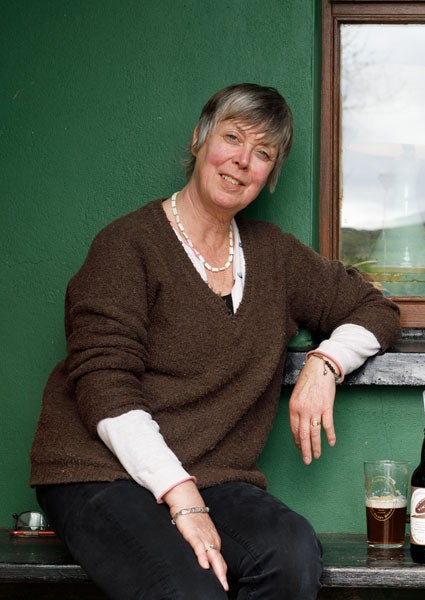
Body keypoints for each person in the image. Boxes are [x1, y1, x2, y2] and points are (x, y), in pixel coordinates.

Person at [29, 83, 401, 599]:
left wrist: (326, 362)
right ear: (199, 140)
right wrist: (181, 497)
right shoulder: (127, 246)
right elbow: (104, 387)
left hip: (211, 473)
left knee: (291, 555)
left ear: (270, 174)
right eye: (232, 137)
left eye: (263, 153)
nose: (243, 161)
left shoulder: (275, 257)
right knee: (190, 589)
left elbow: (376, 309)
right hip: (100, 472)